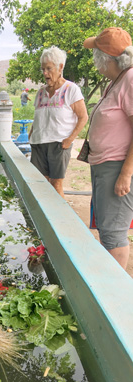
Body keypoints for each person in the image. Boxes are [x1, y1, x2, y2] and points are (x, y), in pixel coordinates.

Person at [83, 27, 133, 270]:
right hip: (105, 166)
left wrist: (126, 173)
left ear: (105, 59)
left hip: (117, 168)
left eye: (95, 52)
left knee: (113, 231)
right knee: (106, 227)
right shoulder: (116, 81)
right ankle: (110, 280)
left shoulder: (131, 79)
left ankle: (116, 291)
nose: (93, 58)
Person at [29, 46, 88, 197]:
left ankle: (59, 220)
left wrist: (70, 139)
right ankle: (42, 219)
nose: (45, 73)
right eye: (43, 69)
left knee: (56, 185)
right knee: (39, 184)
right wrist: (31, 136)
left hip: (59, 143)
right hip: (39, 143)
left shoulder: (71, 89)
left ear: (60, 67)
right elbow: (38, 117)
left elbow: (83, 117)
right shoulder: (41, 92)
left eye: (48, 69)